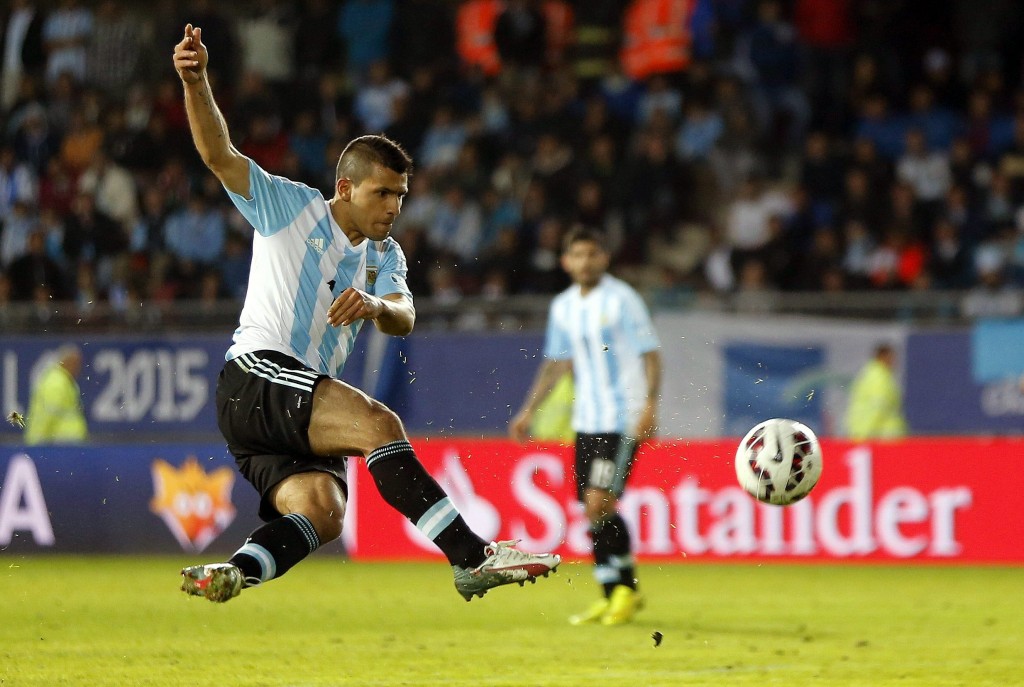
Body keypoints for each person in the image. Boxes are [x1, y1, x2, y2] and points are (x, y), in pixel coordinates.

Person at [172, 24, 559, 604]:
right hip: (257, 376)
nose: (394, 207)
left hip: (288, 407)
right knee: (379, 424)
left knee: (324, 512)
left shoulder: (385, 256)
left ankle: (234, 573)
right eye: (382, 193)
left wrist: (376, 304)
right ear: (346, 187)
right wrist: (197, 81)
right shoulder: (291, 208)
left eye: (401, 195)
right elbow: (217, 155)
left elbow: (404, 315)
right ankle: (471, 557)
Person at [509, 227, 662, 625]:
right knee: (592, 508)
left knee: (598, 502)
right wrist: (528, 410)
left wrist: (649, 406)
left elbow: (651, 354)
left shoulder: (622, 299)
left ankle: (624, 591)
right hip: (586, 419)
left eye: (593, 254)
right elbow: (557, 362)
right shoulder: (563, 306)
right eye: (578, 255)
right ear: (566, 262)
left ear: (604, 258)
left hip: (621, 417)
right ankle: (614, 591)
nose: (586, 262)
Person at [23, 344, 88, 445]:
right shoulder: (56, 382)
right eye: (75, 363)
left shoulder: (63, 380)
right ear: (65, 361)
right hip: (59, 442)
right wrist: (36, 442)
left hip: (63, 441)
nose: (78, 368)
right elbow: (48, 413)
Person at [844, 343, 908, 441]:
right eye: (891, 357)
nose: (894, 361)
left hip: (871, 432)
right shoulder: (879, 377)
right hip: (881, 435)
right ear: (883, 356)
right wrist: (866, 434)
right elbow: (878, 406)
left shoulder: (872, 374)